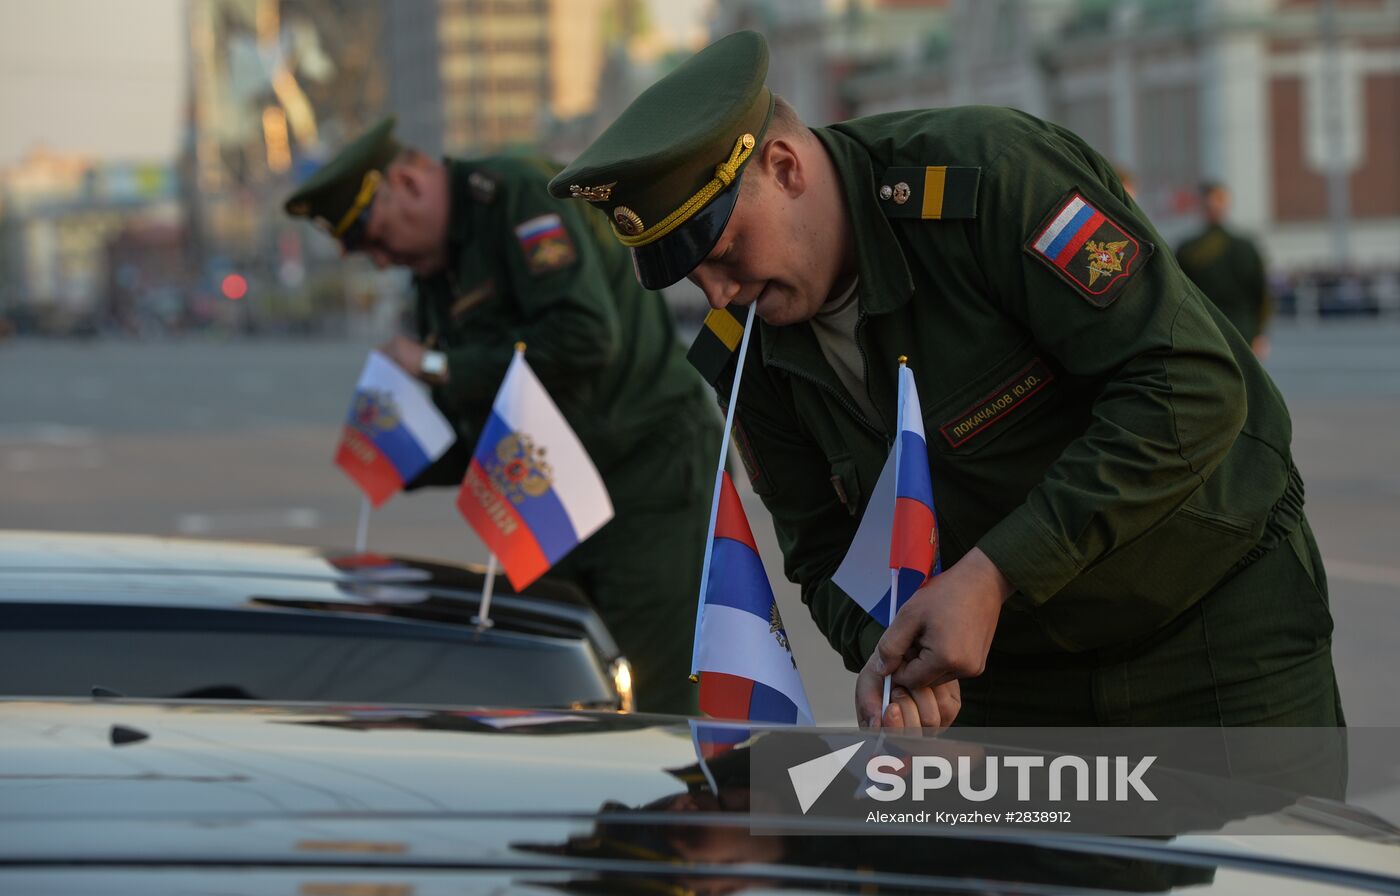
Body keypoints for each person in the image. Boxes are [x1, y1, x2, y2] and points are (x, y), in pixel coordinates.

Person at [548, 31, 1344, 730]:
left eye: (721, 252)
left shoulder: (988, 182)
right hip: (1010, 682)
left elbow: (1191, 385)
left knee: (1260, 893)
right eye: (692, 275)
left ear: (784, 167)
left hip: (1214, 638)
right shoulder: (747, 342)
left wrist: (993, 575)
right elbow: (822, 547)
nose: (717, 293)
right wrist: (893, 655)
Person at [284, 117, 718, 713]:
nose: (381, 262)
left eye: (375, 236)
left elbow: (585, 338)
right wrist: (402, 452)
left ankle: (693, 804)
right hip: (549, 501)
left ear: (408, 180)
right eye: (365, 252)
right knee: (552, 693)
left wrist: (435, 363)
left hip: (644, 482)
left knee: (656, 702)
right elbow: (489, 408)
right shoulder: (434, 273)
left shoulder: (513, 197)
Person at [1176, 181, 1273, 358]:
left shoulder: (1187, 248)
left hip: (1204, 332)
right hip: (1241, 331)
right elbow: (1262, 295)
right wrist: (1259, 333)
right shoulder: (1245, 247)